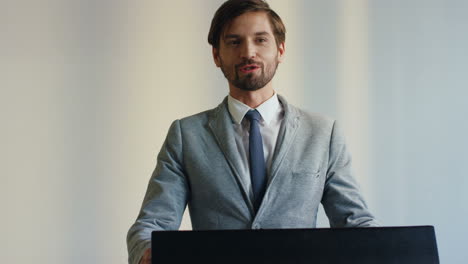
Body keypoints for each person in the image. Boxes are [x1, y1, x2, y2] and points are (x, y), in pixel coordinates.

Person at [127, 0, 378, 263]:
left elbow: (355, 222)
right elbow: (151, 225)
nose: (248, 52)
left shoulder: (322, 133)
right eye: (234, 42)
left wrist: (386, 249)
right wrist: (148, 253)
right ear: (216, 55)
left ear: (280, 49)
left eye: (260, 40)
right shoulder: (186, 135)